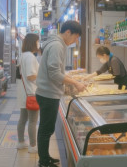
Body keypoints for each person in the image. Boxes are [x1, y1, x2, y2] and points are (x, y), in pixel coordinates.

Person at [36, 21, 86, 167]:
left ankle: (45, 157)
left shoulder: (56, 44)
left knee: (47, 128)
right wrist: (75, 83)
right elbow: (54, 73)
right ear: (68, 32)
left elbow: (55, 71)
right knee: (46, 129)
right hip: (48, 94)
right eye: (76, 37)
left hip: (47, 92)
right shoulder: (57, 45)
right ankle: (44, 162)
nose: (75, 41)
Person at [16, 33, 40, 154]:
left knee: (23, 119)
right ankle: (32, 145)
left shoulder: (23, 56)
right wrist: (42, 77)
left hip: (24, 93)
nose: (38, 43)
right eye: (37, 41)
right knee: (32, 121)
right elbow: (31, 76)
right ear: (33, 42)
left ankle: (20, 142)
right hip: (31, 93)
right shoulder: (30, 57)